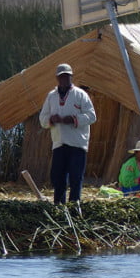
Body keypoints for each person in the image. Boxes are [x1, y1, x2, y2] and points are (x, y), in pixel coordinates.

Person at [39, 63, 97, 206]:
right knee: (58, 177)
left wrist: (72, 119)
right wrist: (51, 120)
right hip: (59, 142)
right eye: (61, 77)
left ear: (71, 77)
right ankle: (59, 205)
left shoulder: (80, 95)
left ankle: (74, 206)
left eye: (67, 76)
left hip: (77, 143)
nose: (64, 79)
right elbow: (42, 119)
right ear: (57, 78)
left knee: (76, 177)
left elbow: (91, 116)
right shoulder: (51, 96)